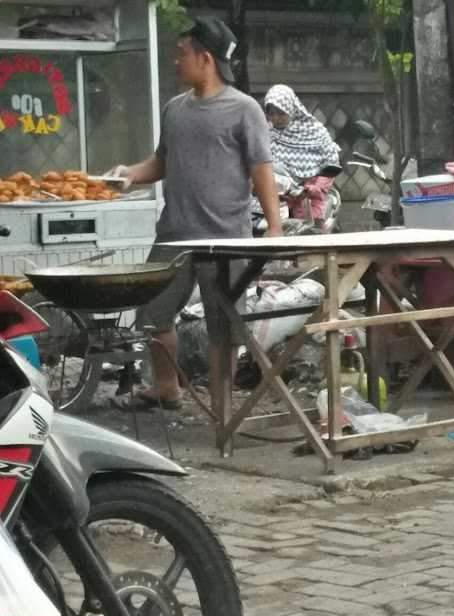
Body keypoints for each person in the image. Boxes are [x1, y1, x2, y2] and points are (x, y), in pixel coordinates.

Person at [112, 17, 282, 413]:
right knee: (153, 315)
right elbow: (162, 162)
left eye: (181, 54)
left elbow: (262, 169)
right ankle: (167, 388)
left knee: (222, 326)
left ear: (205, 59)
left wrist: (274, 228)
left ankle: (222, 406)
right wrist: (128, 176)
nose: (175, 61)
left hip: (225, 238)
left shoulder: (244, 110)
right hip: (174, 234)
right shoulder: (175, 110)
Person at [264, 84, 341, 228]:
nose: (275, 118)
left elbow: (331, 160)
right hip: (277, 196)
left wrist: (315, 187)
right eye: (271, 113)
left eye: (280, 113)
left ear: (291, 109)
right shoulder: (265, 133)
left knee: (311, 232)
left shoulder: (314, 131)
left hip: (308, 196)